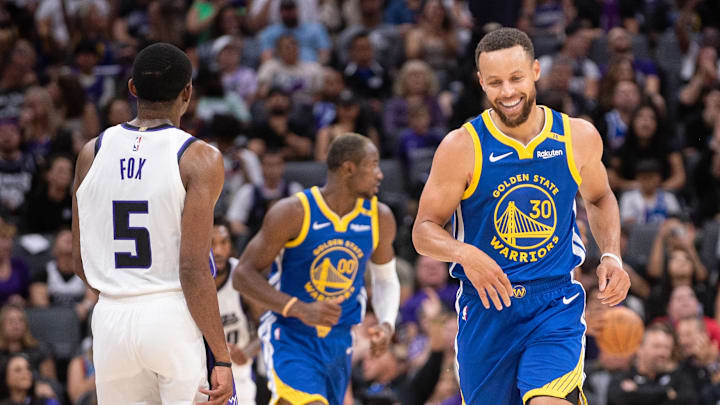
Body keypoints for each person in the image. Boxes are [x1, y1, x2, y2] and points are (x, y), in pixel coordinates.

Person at [412, 28, 631, 405]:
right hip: (487, 309)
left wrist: (611, 253)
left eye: (516, 79)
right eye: (495, 82)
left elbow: (599, 197)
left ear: (535, 71)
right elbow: (423, 230)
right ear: (481, 81)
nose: (507, 92)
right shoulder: (461, 147)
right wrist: (465, 253)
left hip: (554, 302)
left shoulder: (576, 136)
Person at [71, 43, 234, 404]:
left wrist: (123, 293)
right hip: (171, 313)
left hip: (111, 317)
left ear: (132, 89)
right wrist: (221, 356)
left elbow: (79, 262)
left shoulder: (91, 152)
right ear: (188, 93)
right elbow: (193, 267)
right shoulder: (199, 157)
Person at [233, 133, 400, 405]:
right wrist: (299, 308)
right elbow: (243, 274)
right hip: (291, 335)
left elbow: (384, 278)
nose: (380, 174)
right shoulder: (293, 211)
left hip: (340, 341)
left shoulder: (380, 217)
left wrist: (387, 322)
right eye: (373, 165)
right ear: (348, 168)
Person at [211, 221, 259, 405]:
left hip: (237, 376)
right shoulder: (187, 278)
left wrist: (247, 351)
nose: (218, 251)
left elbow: (268, 325)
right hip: (199, 376)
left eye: (224, 242)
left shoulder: (241, 276)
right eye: (211, 243)